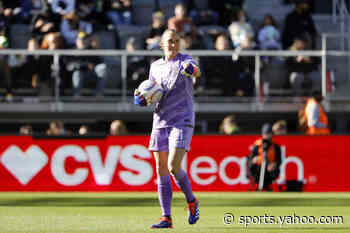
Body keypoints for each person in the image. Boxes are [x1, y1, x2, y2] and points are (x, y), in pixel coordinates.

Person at [134, 29, 200, 228]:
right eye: (170, 41)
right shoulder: (155, 66)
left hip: (181, 119)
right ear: (161, 44)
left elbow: (196, 70)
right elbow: (152, 91)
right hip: (160, 120)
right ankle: (166, 217)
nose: (173, 44)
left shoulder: (186, 60)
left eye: (176, 41)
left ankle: (191, 200)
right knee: (161, 168)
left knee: (173, 166)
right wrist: (141, 98)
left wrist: (192, 70)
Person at [247, 123, 282, 191]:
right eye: (265, 134)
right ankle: (258, 187)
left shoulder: (276, 147)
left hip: (270, 171)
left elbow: (279, 161)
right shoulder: (257, 146)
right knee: (253, 167)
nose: (267, 136)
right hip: (258, 170)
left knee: (274, 170)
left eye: (269, 133)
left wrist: (274, 165)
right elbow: (250, 160)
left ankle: (269, 186)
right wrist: (255, 160)